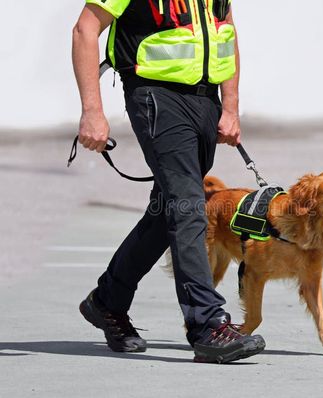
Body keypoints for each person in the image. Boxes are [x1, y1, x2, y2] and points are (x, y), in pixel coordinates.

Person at [72, 0, 265, 363]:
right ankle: (207, 326)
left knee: (168, 213)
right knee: (190, 208)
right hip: (156, 97)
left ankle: (107, 302)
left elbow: (226, 29)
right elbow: (84, 29)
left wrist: (231, 106)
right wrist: (92, 112)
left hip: (205, 102)